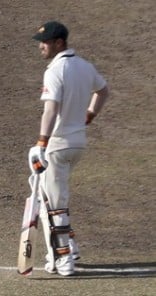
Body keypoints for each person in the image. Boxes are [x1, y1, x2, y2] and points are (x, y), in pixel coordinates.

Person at [28, 21, 109, 277]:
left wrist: (42, 143)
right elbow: (103, 90)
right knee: (52, 198)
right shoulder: (85, 66)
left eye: (46, 42)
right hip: (77, 144)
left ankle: (63, 261)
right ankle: (69, 249)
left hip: (58, 146)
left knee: (54, 205)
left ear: (59, 43)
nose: (41, 46)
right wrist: (89, 115)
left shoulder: (55, 70)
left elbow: (50, 110)